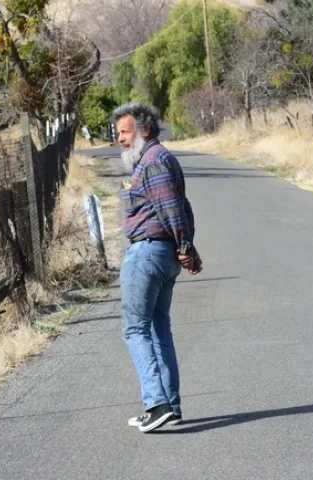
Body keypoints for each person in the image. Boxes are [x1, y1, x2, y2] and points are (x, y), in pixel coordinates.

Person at [113, 102, 203, 433]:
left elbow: (172, 210)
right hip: (161, 255)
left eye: (125, 131)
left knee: (135, 329)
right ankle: (170, 406)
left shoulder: (154, 161)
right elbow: (181, 208)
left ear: (145, 130)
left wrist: (185, 247)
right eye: (118, 133)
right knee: (157, 328)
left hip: (148, 254)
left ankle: (157, 403)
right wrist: (185, 247)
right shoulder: (157, 160)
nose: (120, 138)